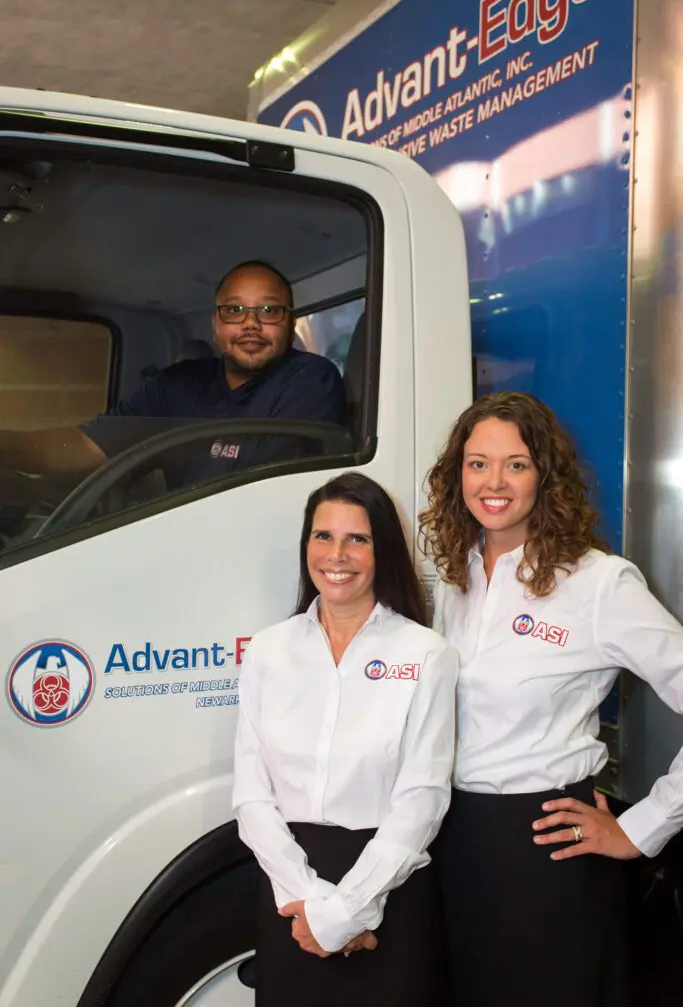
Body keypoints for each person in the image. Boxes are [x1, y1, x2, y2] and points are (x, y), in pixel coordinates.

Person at [418, 391, 683, 1007]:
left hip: (549, 847)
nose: (494, 482)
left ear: (545, 475)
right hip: (451, 841)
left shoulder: (598, 583)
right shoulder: (453, 576)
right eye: (478, 463)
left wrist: (643, 828)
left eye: (516, 464)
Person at [232, 471, 458, 1007]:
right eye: (323, 536)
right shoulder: (268, 651)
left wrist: (348, 911)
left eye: (358, 538)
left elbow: (423, 800)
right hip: (290, 894)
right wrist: (311, 904)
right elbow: (251, 796)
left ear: (383, 551)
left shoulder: (426, 654)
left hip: (389, 887)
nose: (337, 555)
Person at [0, 260, 346, 489]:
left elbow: (268, 488)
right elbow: (87, 447)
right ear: (216, 325)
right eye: (234, 310)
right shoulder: (177, 383)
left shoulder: (310, 380)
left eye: (269, 310)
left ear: (289, 322)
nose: (250, 324)